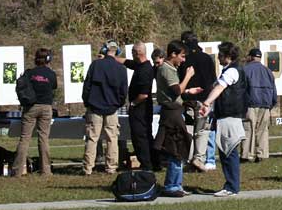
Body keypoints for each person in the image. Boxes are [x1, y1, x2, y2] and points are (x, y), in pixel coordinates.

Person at [153, 40, 201, 197]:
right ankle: (172, 185)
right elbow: (176, 90)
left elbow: (175, 91)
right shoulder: (167, 69)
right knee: (176, 150)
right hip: (171, 114)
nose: (183, 60)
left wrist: (188, 91)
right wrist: (188, 76)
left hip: (174, 111)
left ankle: (176, 184)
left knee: (179, 149)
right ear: (172, 54)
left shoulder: (169, 68)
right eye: (182, 56)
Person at [199, 42, 247, 197]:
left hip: (230, 116)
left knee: (229, 151)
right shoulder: (231, 70)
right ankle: (230, 185)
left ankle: (232, 187)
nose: (218, 57)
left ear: (228, 56)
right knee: (225, 152)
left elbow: (219, 88)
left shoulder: (232, 71)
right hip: (225, 116)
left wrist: (207, 102)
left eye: (220, 55)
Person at [82, 41, 128, 175]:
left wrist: (87, 102)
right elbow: (123, 91)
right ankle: (111, 167)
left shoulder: (95, 65)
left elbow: (87, 86)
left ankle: (88, 168)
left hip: (94, 107)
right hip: (112, 108)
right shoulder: (121, 68)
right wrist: (117, 104)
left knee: (92, 138)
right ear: (117, 52)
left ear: (103, 50)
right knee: (112, 138)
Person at [110, 42, 159, 171]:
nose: (131, 55)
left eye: (133, 52)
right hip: (140, 107)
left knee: (140, 137)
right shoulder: (140, 65)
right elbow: (126, 62)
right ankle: (153, 163)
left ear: (137, 53)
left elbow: (143, 95)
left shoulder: (145, 71)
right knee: (145, 135)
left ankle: (147, 164)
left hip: (140, 108)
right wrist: (111, 58)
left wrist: (133, 104)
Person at [12, 48, 57, 177]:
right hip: (46, 108)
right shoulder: (51, 74)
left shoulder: (29, 73)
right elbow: (54, 86)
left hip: (30, 108)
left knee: (25, 138)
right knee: (43, 138)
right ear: (48, 59)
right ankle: (46, 170)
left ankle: (17, 170)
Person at [178, 31, 217, 172]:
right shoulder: (206, 58)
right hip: (204, 100)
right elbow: (213, 80)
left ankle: (188, 159)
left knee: (188, 130)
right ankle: (198, 159)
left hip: (188, 99)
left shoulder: (183, 59)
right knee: (202, 131)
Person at [241, 48, 277, 162]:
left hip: (250, 104)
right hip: (265, 104)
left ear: (251, 57)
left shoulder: (245, 70)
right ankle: (262, 154)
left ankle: (247, 155)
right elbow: (274, 91)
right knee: (262, 130)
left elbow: (241, 89)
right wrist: (271, 103)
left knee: (248, 129)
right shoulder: (268, 71)